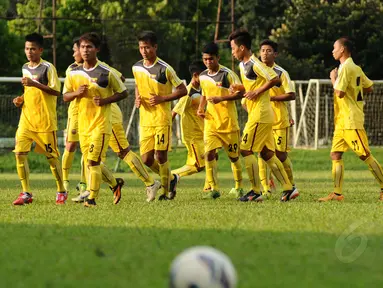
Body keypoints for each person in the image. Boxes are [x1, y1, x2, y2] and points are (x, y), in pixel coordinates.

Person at [229, 29, 298, 202]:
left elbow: (274, 78)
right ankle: (289, 188)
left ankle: (255, 191)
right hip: (259, 113)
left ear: (242, 48)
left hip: (261, 113)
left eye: (233, 48)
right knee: (267, 153)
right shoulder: (242, 65)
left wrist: (257, 92)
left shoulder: (255, 63)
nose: (232, 52)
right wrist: (241, 89)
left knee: (245, 149)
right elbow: (252, 85)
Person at [63, 32, 127, 207]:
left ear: (97, 49)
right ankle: (115, 184)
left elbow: (124, 92)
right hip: (84, 125)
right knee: (92, 163)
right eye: (82, 47)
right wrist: (77, 93)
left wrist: (105, 100)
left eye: (89, 47)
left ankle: (91, 198)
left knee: (92, 161)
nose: (85, 50)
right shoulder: (73, 72)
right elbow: (65, 96)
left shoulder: (106, 72)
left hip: (101, 124)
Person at [319, 37, 383, 202]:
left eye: (335, 48)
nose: (332, 51)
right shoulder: (354, 67)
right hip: (342, 121)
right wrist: (355, 91)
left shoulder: (347, 68)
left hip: (351, 119)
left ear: (342, 50)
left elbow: (339, 92)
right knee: (335, 154)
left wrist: (333, 78)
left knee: (365, 155)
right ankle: (337, 194)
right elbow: (369, 87)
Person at [12, 32, 67, 205]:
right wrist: (21, 99)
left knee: (51, 158)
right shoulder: (25, 67)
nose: (29, 52)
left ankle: (61, 191)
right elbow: (29, 91)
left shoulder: (48, 68)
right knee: (20, 154)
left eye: (33, 49)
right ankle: (26, 192)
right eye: (27, 48)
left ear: (40, 50)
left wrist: (34, 84)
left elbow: (56, 91)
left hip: (45, 122)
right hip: (26, 119)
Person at [133, 31, 187, 201]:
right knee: (146, 159)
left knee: (161, 156)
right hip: (145, 119)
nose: (144, 51)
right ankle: (171, 179)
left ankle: (165, 192)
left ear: (155, 47)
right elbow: (137, 84)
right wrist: (137, 97)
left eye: (147, 47)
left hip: (162, 118)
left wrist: (162, 98)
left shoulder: (165, 68)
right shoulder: (136, 67)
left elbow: (182, 90)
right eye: (141, 47)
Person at [197, 42, 244, 199]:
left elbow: (240, 93)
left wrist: (221, 98)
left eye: (211, 59)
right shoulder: (203, 75)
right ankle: (214, 189)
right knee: (208, 154)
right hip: (211, 122)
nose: (208, 62)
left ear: (218, 57)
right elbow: (204, 93)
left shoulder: (227, 74)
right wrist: (201, 108)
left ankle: (239, 187)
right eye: (205, 59)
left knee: (234, 157)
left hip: (228, 123)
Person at [257, 39, 297, 194]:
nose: (265, 54)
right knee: (261, 153)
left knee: (280, 155)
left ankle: (291, 185)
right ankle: (265, 189)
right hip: (262, 120)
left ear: (275, 54)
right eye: (262, 51)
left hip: (279, 120)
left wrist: (272, 98)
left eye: (268, 51)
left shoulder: (281, 73)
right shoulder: (256, 71)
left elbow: (291, 94)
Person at [171, 60, 210, 191]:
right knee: (199, 165)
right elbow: (175, 111)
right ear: (195, 75)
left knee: (211, 157)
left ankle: (208, 188)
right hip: (192, 135)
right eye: (203, 75)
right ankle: (171, 176)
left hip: (203, 132)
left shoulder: (202, 89)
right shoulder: (187, 93)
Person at [62, 38, 87, 194]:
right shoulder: (72, 69)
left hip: (93, 114)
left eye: (74, 50)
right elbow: (65, 95)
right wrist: (77, 93)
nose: (73, 54)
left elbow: (120, 78)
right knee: (71, 145)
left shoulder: (99, 67)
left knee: (86, 149)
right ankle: (64, 180)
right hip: (76, 113)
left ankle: (83, 183)